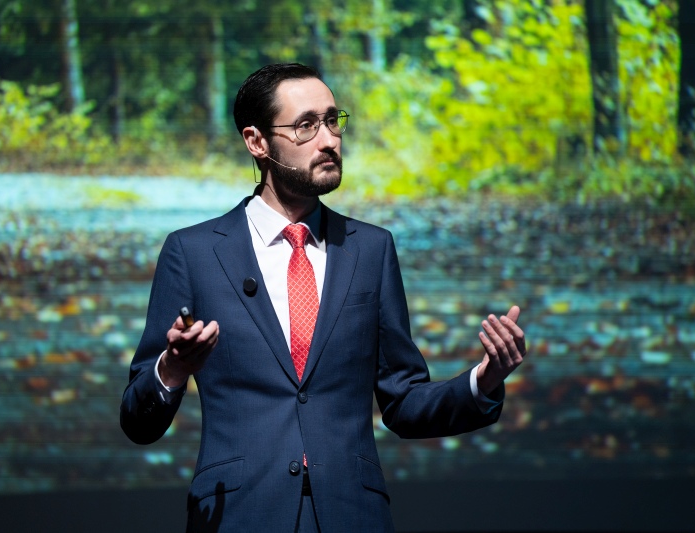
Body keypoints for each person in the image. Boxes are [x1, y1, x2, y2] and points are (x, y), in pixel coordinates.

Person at [120, 63, 528, 533]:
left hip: (352, 515)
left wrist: (484, 379)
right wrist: (171, 369)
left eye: (333, 121)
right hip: (239, 515)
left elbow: (403, 401)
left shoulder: (371, 249)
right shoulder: (193, 253)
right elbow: (138, 421)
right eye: (306, 125)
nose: (329, 139)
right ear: (257, 142)